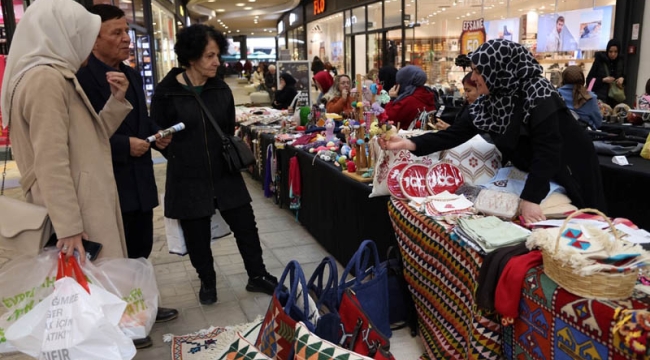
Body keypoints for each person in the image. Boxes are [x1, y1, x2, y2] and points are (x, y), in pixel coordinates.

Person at [379, 39, 605, 224]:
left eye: (478, 70)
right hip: (539, 174)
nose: (474, 77)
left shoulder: (537, 92)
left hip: (570, 167)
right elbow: (452, 135)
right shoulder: (488, 103)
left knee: (586, 220)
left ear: (499, 68)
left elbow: (549, 149)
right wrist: (409, 143)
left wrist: (530, 198)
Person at [150, 24, 279, 305]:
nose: (216, 62)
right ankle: (207, 281)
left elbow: (227, 126)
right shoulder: (167, 92)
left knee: (246, 225)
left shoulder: (220, 88)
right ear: (192, 56)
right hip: (187, 175)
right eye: (209, 56)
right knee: (196, 234)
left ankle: (256, 275)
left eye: (217, 55)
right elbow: (156, 130)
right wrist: (156, 141)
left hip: (224, 171)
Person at [75, 4, 179, 344]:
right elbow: (81, 136)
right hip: (109, 182)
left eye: (126, 32)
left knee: (141, 247)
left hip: (140, 178)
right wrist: (123, 146)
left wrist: (157, 135)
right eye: (116, 33)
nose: (126, 39)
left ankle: (141, 306)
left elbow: (138, 122)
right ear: (93, 39)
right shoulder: (79, 79)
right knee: (112, 257)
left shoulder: (132, 74)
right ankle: (123, 323)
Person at [1, 0, 132, 262]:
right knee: (92, 295)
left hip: (80, 204)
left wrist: (115, 103)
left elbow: (86, 141)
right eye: (81, 35)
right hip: (79, 215)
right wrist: (69, 226)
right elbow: (51, 161)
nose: (85, 43)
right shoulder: (45, 79)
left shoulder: (48, 75)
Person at [586, 39, 625, 108]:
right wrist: (603, 80)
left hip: (615, 100)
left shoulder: (620, 62)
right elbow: (589, 81)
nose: (613, 54)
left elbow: (624, 76)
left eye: (616, 52)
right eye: (610, 51)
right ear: (607, 51)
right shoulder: (599, 61)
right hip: (600, 100)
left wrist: (622, 79)